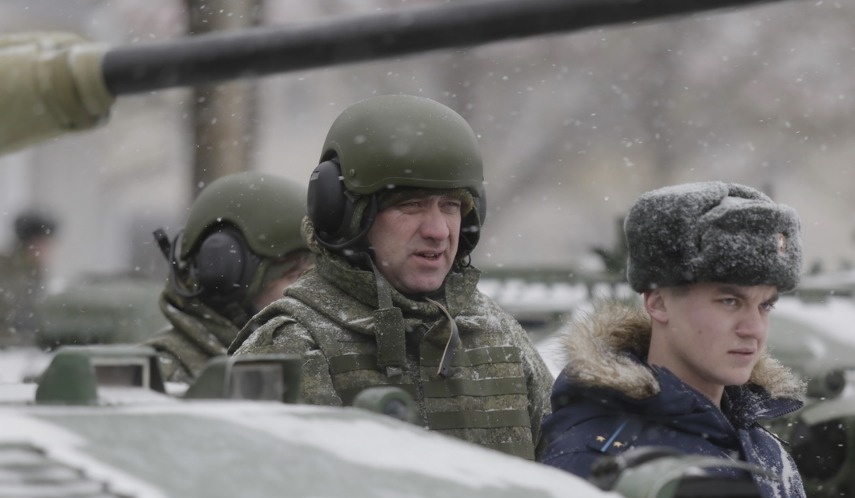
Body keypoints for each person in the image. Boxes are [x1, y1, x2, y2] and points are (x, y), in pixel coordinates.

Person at [537, 182, 823, 498]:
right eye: (729, 300)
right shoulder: (601, 461)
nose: (753, 328)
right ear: (657, 300)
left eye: (765, 304)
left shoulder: (765, 450)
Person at [232, 94, 553, 460]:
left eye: (450, 206)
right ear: (346, 214)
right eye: (410, 205)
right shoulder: (290, 345)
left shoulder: (498, 335)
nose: (438, 230)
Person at [145, 171, 312, 383]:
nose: (308, 293)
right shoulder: (162, 375)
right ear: (226, 276)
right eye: (295, 276)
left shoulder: (304, 359)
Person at [0, 209, 59, 347]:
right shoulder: (8, 271)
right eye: (45, 242)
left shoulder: (34, 270)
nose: (50, 249)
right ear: (33, 242)